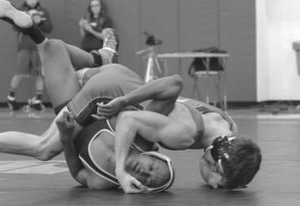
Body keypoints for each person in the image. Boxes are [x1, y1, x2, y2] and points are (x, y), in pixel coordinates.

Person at [0, 0, 174, 194]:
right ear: (154, 155)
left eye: (151, 180)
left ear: (144, 188)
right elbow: (173, 87)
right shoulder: (143, 137)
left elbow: (76, 172)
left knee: (53, 48)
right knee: (44, 148)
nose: (147, 172)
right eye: (153, 167)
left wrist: (65, 137)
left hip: (74, 107)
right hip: (101, 93)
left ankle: (39, 33)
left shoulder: (102, 181)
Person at [94, 77, 262, 190]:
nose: (213, 172)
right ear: (217, 151)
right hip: (106, 94)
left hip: (127, 81)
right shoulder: (183, 134)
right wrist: (120, 172)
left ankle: (102, 56)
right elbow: (127, 120)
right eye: (217, 169)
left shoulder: (229, 125)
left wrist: (228, 178)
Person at [7, 0, 53, 111]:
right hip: (25, 47)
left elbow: (49, 28)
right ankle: (10, 98)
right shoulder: (20, 10)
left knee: (39, 74)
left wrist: (40, 22)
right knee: (20, 72)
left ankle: (37, 100)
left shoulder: (43, 11)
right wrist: (27, 18)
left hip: (38, 47)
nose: (32, 0)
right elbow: (15, 27)